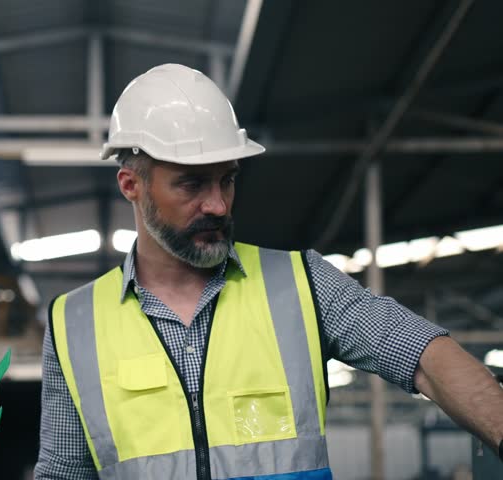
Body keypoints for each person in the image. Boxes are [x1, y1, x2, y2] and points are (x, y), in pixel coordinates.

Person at [34, 63, 503, 479]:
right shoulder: (73, 324)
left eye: (228, 180)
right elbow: (64, 474)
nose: (217, 204)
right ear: (131, 184)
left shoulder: (303, 283)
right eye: (192, 184)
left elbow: (424, 356)